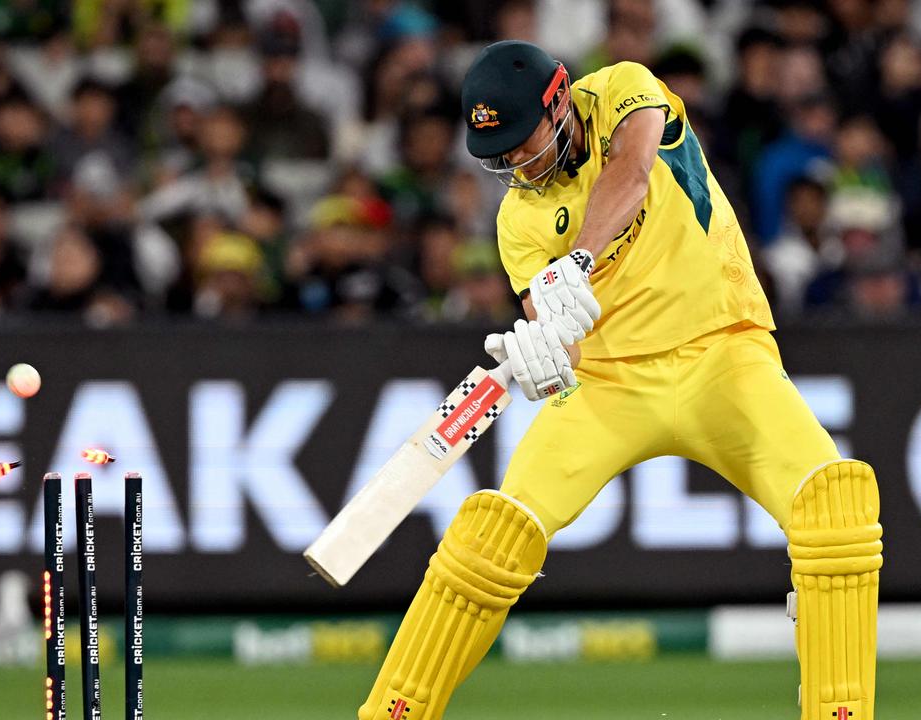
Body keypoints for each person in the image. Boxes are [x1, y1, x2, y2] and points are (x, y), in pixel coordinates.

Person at [357, 41, 883, 720]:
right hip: (607, 386)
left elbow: (633, 171)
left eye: (522, 142)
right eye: (499, 154)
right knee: (491, 536)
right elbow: (556, 329)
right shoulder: (518, 222)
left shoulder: (624, 91)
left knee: (835, 508)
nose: (514, 162)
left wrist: (574, 260)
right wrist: (544, 346)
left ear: (559, 104)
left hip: (722, 355)